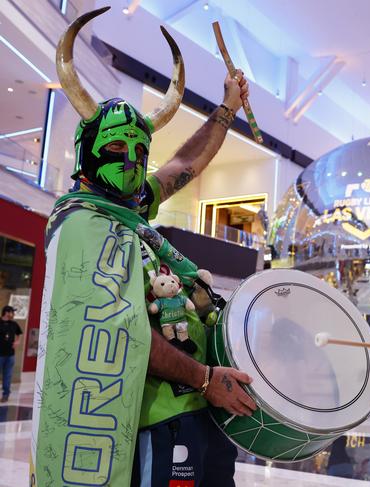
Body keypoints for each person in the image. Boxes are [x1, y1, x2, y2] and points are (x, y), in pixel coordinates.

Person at [30, 8, 256, 487]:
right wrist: (202, 378)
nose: (131, 162)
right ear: (88, 150)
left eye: (139, 151)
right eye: (116, 150)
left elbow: (183, 164)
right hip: (158, 416)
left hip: (197, 407)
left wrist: (227, 108)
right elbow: (120, 330)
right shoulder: (84, 222)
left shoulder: (127, 207)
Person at [0, 305, 22, 403]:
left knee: (7, 375)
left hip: (10, 355)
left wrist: (17, 341)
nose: (13, 314)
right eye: (12, 312)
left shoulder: (14, 324)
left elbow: (19, 334)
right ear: (6, 312)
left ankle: (6, 395)